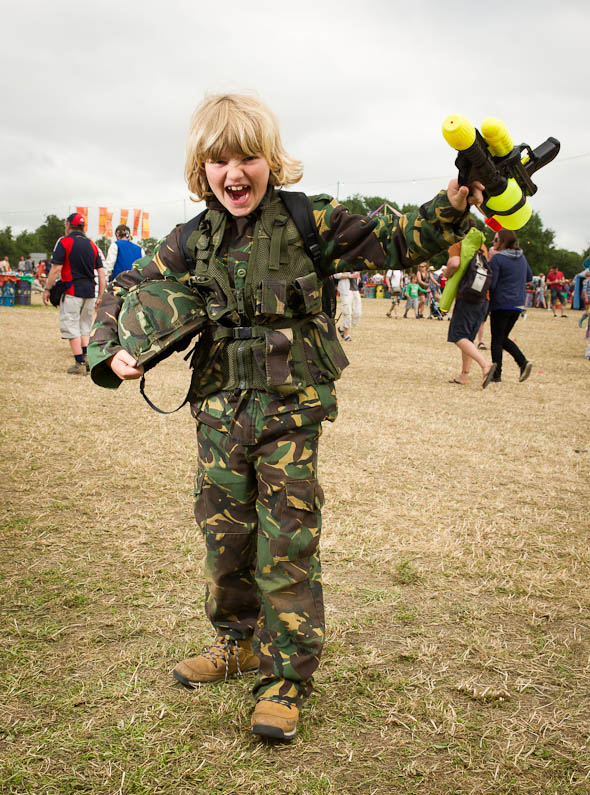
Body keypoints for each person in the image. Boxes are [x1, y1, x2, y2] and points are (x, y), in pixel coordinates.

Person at [87, 93, 482, 741]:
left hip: (290, 410)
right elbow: (127, 291)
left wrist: (456, 199)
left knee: (287, 538)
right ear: (201, 169)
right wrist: (112, 351)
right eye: (219, 159)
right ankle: (238, 641)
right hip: (217, 410)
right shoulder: (192, 239)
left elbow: (402, 237)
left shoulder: (307, 220)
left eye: (248, 155)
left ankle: (287, 675)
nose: (234, 171)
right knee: (225, 537)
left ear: (271, 160)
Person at [43, 212, 106, 375]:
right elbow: (101, 272)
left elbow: (56, 268)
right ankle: (87, 360)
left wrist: (47, 289)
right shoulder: (92, 245)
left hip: (72, 291)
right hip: (90, 291)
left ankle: (79, 363)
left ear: (69, 225)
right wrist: (100, 295)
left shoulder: (65, 242)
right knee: (85, 326)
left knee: (71, 326)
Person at [445, 231, 496, 388]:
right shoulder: (482, 246)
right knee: (468, 338)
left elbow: (454, 263)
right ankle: (464, 375)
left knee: (458, 335)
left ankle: (485, 365)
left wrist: (447, 273)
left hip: (466, 297)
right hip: (483, 298)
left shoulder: (459, 245)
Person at [488, 228, 533, 383]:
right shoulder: (522, 258)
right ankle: (520, 364)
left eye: (495, 240)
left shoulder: (497, 259)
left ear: (502, 242)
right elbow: (529, 277)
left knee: (496, 340)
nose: (493, 243)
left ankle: (500, 373)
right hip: (518, 304)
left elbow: (492, 285)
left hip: (501, 303)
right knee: (502, 338)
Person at [335, 271, 361, 341]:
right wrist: (351, 275)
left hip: (355, 290)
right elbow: (336, 275)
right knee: (347, 312)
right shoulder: (342, 263)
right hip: (346, 290)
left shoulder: (356, 263)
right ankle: (346, 335)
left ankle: (342, 328)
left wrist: (358, 277)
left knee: (357, 313)